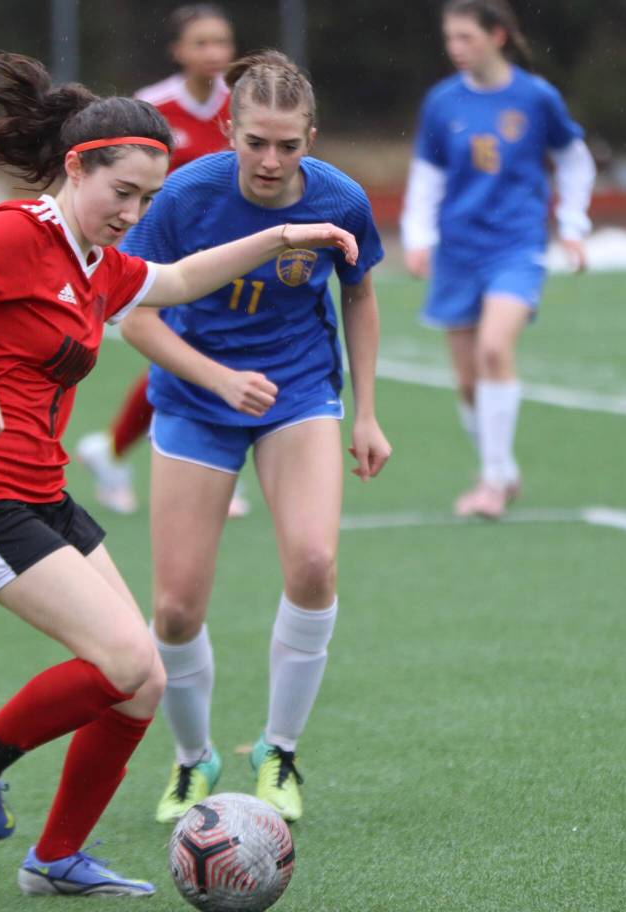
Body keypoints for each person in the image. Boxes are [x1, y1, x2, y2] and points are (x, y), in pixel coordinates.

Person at [0, 52, 358, 898]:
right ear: (78, 168)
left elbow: (179, 278)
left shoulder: (94, 264)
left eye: (148, 198)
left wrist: (285, 236)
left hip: (40, 489)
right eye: (123, 193)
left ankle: (56, 858)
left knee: (143, 677)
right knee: (120, 657)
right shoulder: (19, 231)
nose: (134, 212)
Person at [117, 50, 392, 824]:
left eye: (289, 145)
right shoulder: (183, 197)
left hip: (298, 393)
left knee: (312, 561)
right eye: (255, 142)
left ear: (312, 137)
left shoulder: (341, 200)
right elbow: (133, 314)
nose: (271, 161)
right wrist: (213, 378)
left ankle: (280, 749)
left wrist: (365, 411)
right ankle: (192, 758)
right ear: (228, 132)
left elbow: (361, 296)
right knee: (173, 610)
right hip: (197, 400)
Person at [400, 0, 595, 519]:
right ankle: (502, 470)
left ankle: (490, 481)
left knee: (493, 350)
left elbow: (575, 160)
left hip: (517, 246)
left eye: (467, 37)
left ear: (498, 37)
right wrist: (417, 236)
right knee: (467, 381)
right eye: (451, 38)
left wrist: (573, 226)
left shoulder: (535, 97)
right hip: (458, 250)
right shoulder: (442, 102)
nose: (456, 48)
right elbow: (428, 175)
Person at [76, 4, 251, 517]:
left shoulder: (241, 110)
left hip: (225, 260)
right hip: (165, 261)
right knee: (195, 353)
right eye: (202, 43)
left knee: (197, 354)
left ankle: (110, 452)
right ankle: (211, 467)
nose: (215, 53)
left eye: (222, 42)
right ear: (178, 51)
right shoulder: (152, 109)